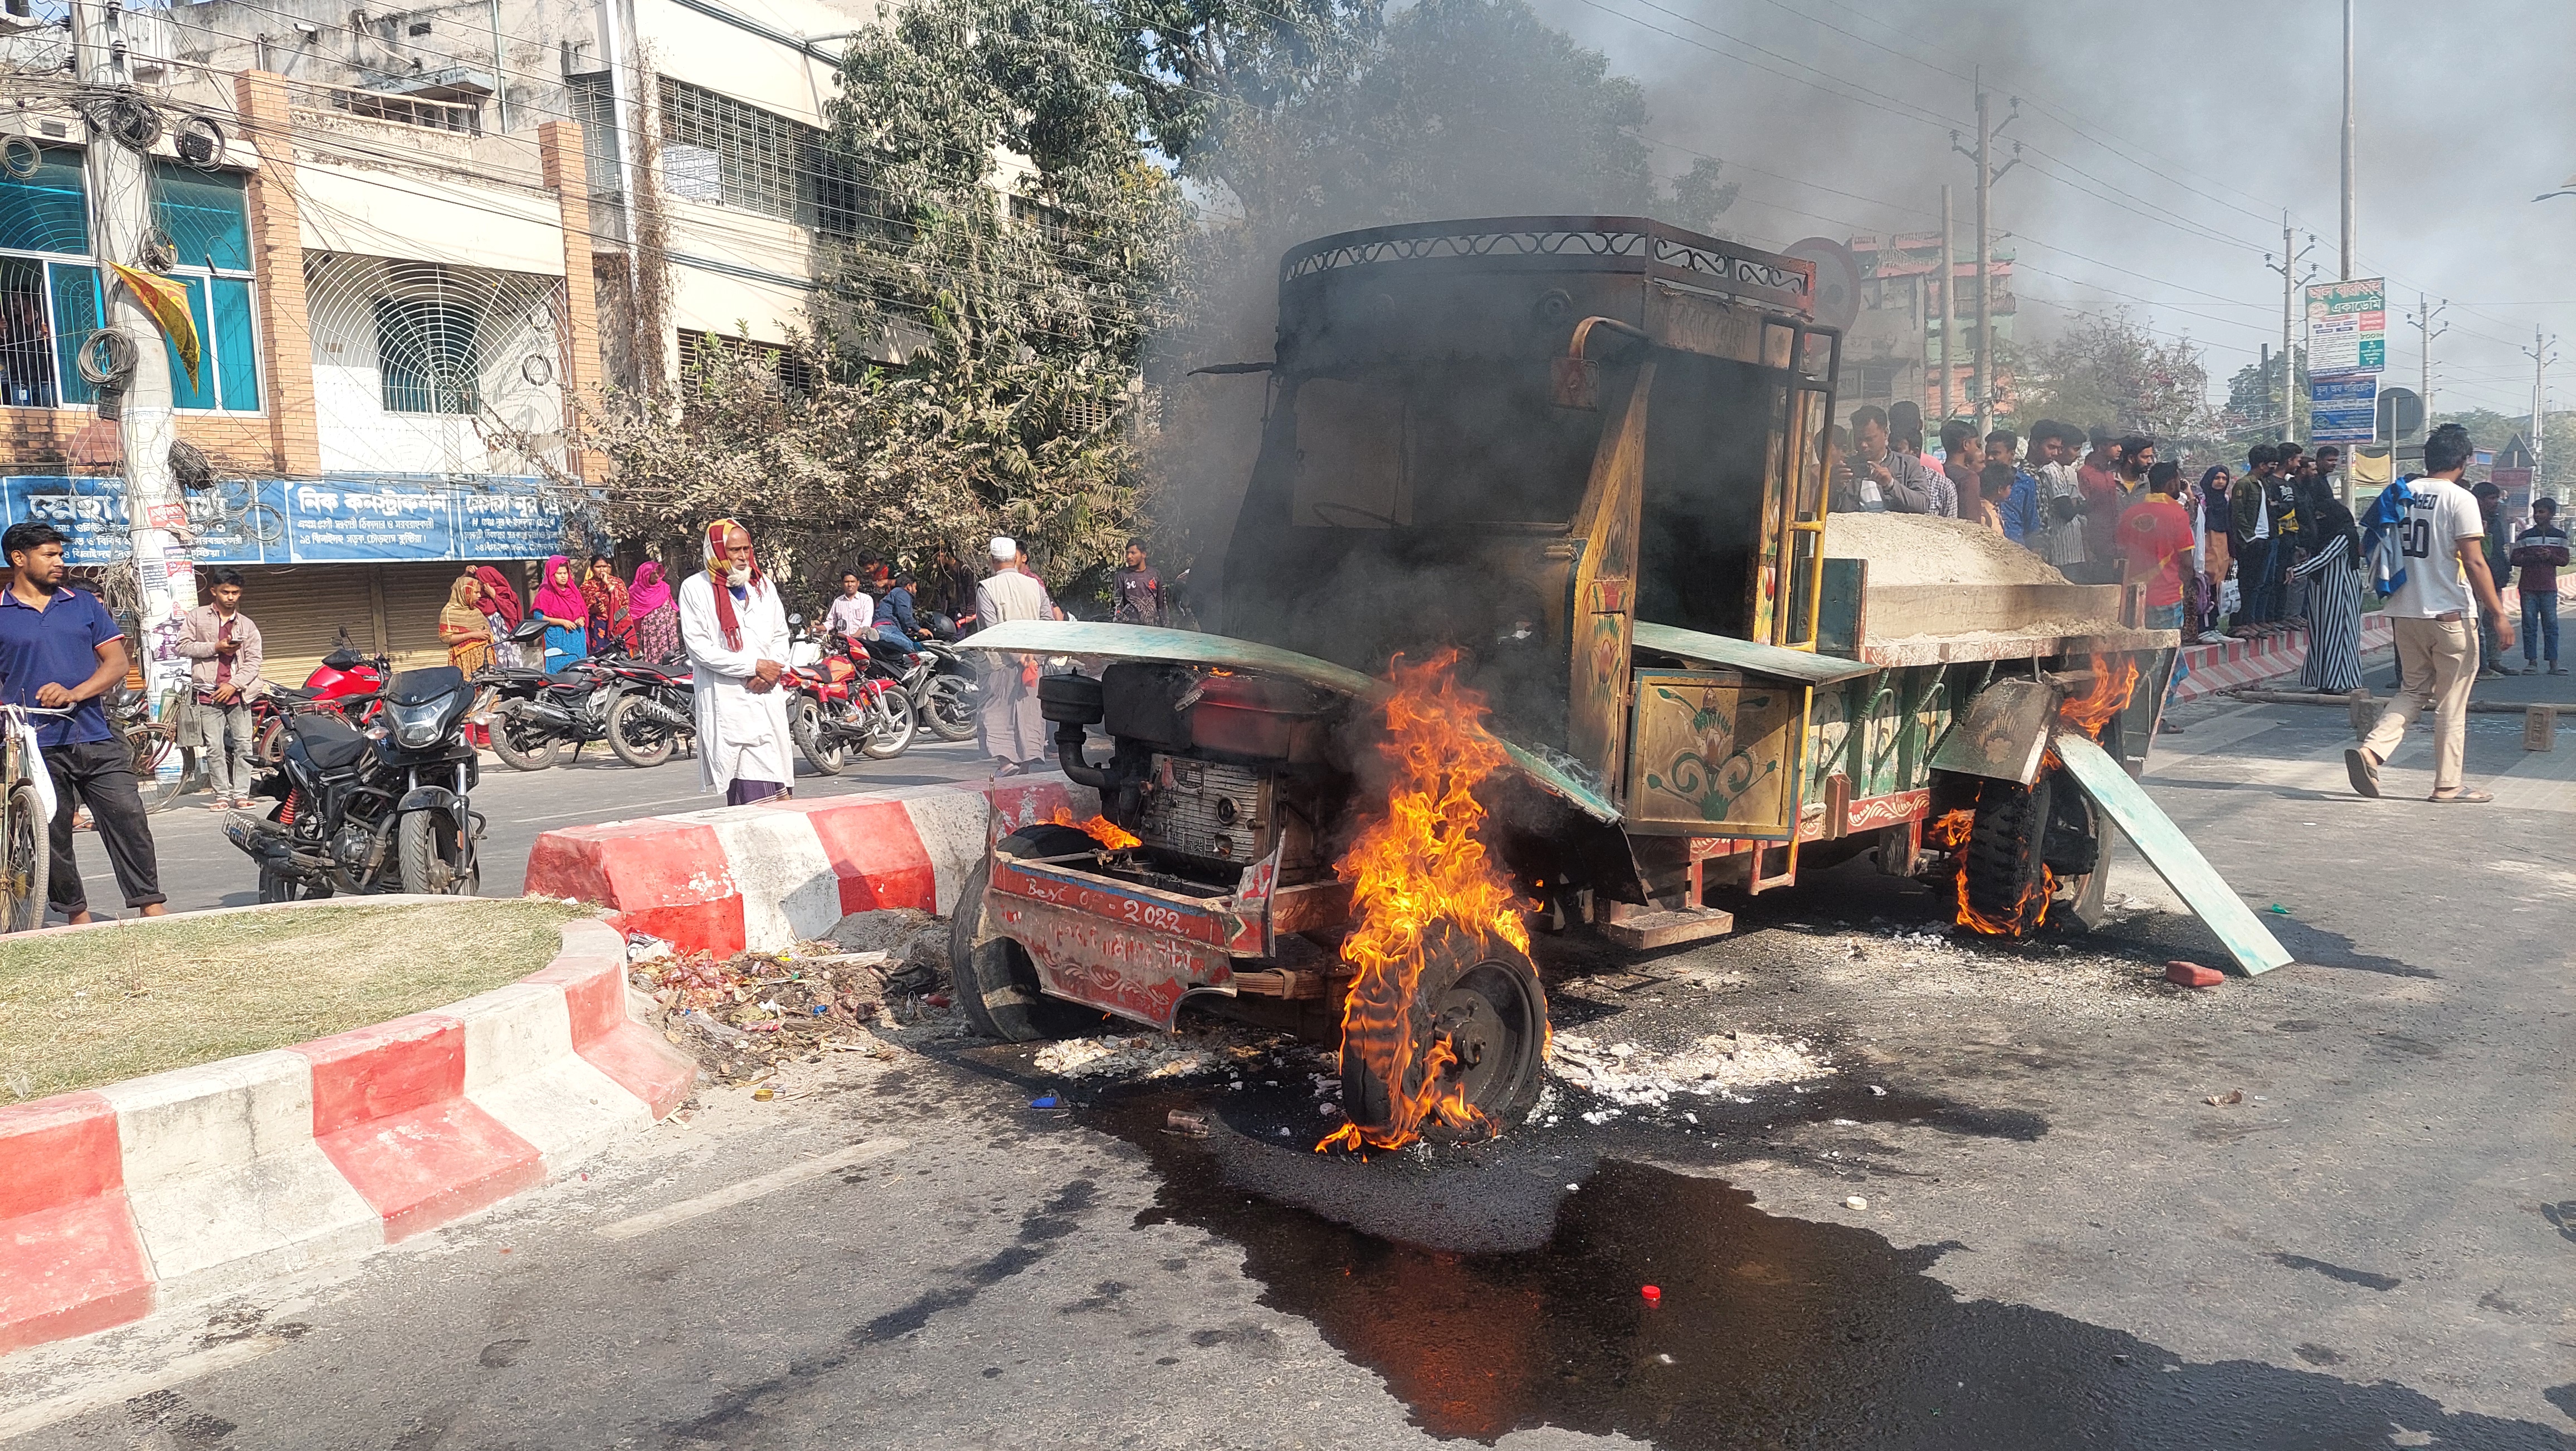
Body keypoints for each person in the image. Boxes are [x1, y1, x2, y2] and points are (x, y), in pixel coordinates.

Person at [0, 522, 165, 923]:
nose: (60, 562)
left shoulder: (84, 604)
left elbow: (117, 663)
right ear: (19, 559)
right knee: (51, 831)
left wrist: (76, 692)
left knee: (128, 815)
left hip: (94, 731)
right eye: (50, 555)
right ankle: (76, 915)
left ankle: (151, 904)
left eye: (60, 553)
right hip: (32, 744)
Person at [2349, 423, 2514, 804]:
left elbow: (2369, 545)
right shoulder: (2460, 499)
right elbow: (2474, 562)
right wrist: (2499, 615)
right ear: (2463, 461)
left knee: (2413, 689)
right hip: (2449, 614)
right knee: (2452, 700)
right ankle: (2447, 784)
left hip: (2404, 610)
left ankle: (2371, 751)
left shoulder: (2400, 494)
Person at [677, 519, 794, 805]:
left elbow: (781, 634)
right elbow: (699, 648)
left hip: (767, 694)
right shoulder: (695, 588)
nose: (743, 557)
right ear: (717, 552)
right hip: (729, 699)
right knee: (749, 793)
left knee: (780, 795)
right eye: (735, 551)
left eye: (747, 549)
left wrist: (771, 671)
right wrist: (753, 666)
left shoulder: (763, 585)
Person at [175, 567, 264, 811]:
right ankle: (222, 796)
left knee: (244, 745)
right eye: (225, 592)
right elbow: (182, 647)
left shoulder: (247, 625)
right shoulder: (197, 617)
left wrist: (234, 684)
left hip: (239, 695)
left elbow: (255, 661)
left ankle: (242, 794)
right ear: (214, 591)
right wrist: (216, 647)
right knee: (214, 747)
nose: (230, 597)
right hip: (207, 692)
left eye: (235, 593)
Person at [2119, 461, 2198, 729]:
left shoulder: (2132, 512)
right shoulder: (2177, 515)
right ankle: (2152, 717)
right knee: (2166, 663)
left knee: (2141, 659)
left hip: (2133, 600)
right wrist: (2188, 588)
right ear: (2171, 483)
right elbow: (2187, 563)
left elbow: (2120, 552)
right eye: (2177, 480)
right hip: (2166, 598)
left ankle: (2138, 713)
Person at [974, 536, 1061, 776]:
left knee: (995, 711)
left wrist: (1016, 655)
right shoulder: (1035, 586)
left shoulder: (986, 588)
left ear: (992, 560)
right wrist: (1031, 654)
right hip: (1033, 663)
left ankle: (1006, 762)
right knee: (1029, 711)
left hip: (999, 663)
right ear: (1015, 558)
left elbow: (991, 630)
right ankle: (1024, 765)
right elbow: (1048, 621)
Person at [2286, 471, 2365, 694]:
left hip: (2340, 593)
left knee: (2339, 636)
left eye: (2322, 516)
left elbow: (2324, 559)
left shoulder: (2344, 535)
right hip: (2323, 594)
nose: (2319, 520)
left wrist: (2297, 571)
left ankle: (2340, 681)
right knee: (2322, 636)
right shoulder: (2328, 536)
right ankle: (2325, 679)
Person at [2510, 497, 2568, 675]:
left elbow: (2564, 561)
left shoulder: (2560, 536)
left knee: (2551, 625)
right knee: (2529, 625)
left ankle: (2553, 663)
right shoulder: (2526, 536)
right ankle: (2532, 662)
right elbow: (2514, 559)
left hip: (2549, 587)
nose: (2537, 515)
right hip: (2528, 587)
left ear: (2552, 514)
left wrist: (2550, 556)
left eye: (2542, 512)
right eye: (2536, 512)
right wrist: (2533, 557)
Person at [2231, 444, 2282, 635]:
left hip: (2267, 538)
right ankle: (2244, 622)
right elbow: (2238, 514)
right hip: (2253, 541)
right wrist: (2250, 538)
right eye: (2271, 465)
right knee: (2249, 584)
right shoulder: (2244, 484)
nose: (2273, 469)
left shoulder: (2264, 484)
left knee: (2264, 583)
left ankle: (2257, 620)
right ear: (2261, 465)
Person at [1847, 406, 1935, 514]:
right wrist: (1834, 487)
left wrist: (1891, 484)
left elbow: (1923, 504)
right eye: (1859, 439)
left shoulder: (1908, 465)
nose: (1863, 445)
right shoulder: (1846, 468)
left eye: (1869, 439)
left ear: (1885, 433)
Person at [2029, 420, 2089, 568]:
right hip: (2060, 551)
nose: (2056, 453)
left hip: (2066, 550)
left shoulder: (2059, 471)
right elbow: (2066, 511)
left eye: (2058, 448)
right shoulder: (2050, 471)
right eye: (2052, 447)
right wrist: (2083, 507)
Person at [2470, 481, 2514, 676]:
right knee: (2476, 624)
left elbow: (2499, 551)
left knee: (2492, 623)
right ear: (2479, 501)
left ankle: (2494, 661)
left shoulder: (2497, 521)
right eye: (2491, 498)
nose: (2496, 502)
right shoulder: (2470, 520)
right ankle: (2480, 665)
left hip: (2495, 578)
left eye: (2497, 498)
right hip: (2476, 580)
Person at [2194, 466, 2235, 643]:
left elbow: (2231, 527)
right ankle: (2202, 629)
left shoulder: (2226, 500)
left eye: (2224, 479)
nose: (2220, 482)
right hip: (2207, 544)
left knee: (2219, 588)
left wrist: (2232, 554)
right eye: (2216, 478)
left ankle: (2214, 627)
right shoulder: (2202, 501)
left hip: (2222, 546)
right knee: (2205, 589)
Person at [531, 557, 588, 671]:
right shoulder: (545, 594)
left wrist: (581, 620)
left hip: (576, 638)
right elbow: (538, 617)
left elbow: (582, 613)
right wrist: (562, 622)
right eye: (559, 573)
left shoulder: (573, 592)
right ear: (552, 575)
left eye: (565, 573)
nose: (563, 576)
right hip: (557, 638)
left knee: (578, 669)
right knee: (559, 672)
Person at [1984, 429, 2040, 544]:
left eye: (1995, 454)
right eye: (1987, 453)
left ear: (2012, 455)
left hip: (2016, 548)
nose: (1989, 458)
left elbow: (2031, 522)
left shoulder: (2025, 483)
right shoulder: (1978, 480)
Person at [2077, 428, 2124, 562]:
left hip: (2112, 547)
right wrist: (2087, 551)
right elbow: (2083, 516)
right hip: (2094, 549)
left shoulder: (2109, 475)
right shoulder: (2085, 474)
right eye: (2114, 445)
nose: (2120, 449)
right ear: (2101, 447)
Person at [438, 573, 494, 676]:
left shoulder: (476, 611)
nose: (479, 596)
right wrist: (473, 635)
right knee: (469, 688)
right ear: (466, 593)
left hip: (484, 659)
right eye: (476, 593)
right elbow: (446, 638)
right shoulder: (449, 612)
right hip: (464, 659)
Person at [473, 565, 526, 668]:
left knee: (512, 673)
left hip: (507, 642)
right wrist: (466, 575)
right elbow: (459, 593)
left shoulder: (505, 594)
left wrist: (495, 597)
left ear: (487, 581)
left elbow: (512, 614)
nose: (476, 584)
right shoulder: (478, 599)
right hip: (489, 644)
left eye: (478, 580)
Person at [582, 557, 635, 658]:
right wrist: (595, 609)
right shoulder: (587, 586)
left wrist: (608, 583)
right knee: (601, 657)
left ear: (609, 568)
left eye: (604, 567)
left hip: (618, 625)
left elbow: (625, 601)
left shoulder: (618, 582)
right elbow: (584, 609)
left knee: (621, 655)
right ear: (592, 569)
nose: (602, 570)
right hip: (598, 626)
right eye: (598, 567)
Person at [630, 562, 679, 664]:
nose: (657, 576)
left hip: (667, 629)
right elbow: (633, 611)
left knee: (671, 656)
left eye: (658, 573)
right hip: (651, 631)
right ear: (645, 575)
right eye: (653, 574)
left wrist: (673, 625)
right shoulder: (636, 592)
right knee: (655, 658)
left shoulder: (664, 587)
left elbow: (672, 605)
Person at [1113, 538, 1165, 625]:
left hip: (1152, 629)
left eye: (1133, 553)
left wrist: (1165, 628)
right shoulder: (1122, 576)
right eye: (1128, 553)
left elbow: (1162, 605)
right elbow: (1117, 605)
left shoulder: (1155, 575)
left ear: (1143, 555)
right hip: (1130, 629)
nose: (1129, 557)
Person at [873, 570, 923, 654]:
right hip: (888, 626)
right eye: (915, 587)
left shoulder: (895, 593)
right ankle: (879, 635)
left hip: (883, 625)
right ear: (909, 586)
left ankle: (877, 635)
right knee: (914, 649)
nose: (916, 591)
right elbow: (904, 615)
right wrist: (919, 629)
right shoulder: (902, 593)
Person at [823, 569, 875, 642]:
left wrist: (854, 637)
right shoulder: (838, 601)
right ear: (842, 584)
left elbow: (866, 623)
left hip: (861, 642)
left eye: (853, 582)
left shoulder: (866, 600)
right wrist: (819, 628)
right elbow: (831, 621)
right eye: (846, 582)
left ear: (858, 583)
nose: (850, 585)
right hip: (842, 642)